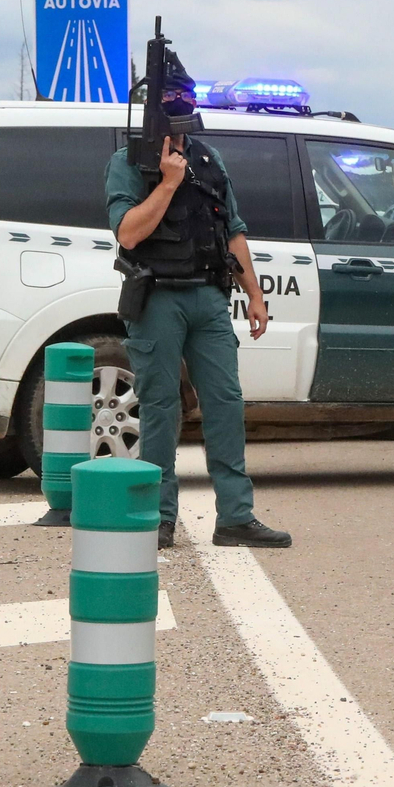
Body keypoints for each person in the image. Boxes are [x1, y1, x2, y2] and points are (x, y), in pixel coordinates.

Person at [105, 52, 292, 551]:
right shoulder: (128, 163)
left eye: (186, 99)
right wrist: (167, 182)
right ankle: (158, 517)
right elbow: (128, 233)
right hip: (157, 299)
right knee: (161, 408)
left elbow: (233, 230)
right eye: (173, 100)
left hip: (208, 297)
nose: (182, 108)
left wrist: (255, 294)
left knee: (225, 403)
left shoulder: (208, 159)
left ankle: (235, 516)